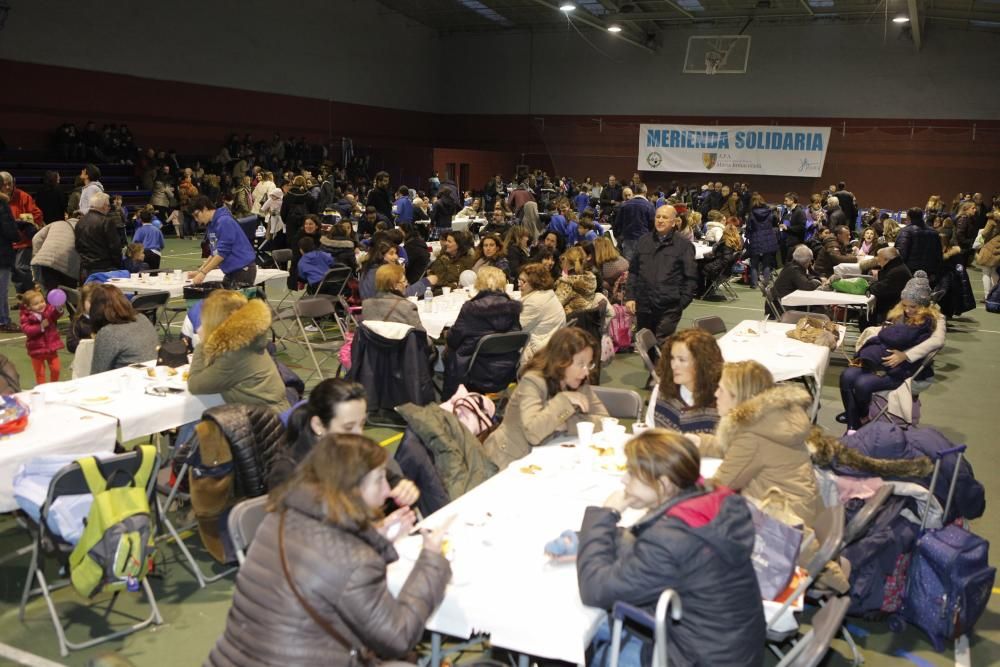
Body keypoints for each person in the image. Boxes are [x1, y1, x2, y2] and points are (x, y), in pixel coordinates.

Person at [207, 433, 449, 667]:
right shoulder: (357, 561)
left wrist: (376, 539)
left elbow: (324, 558)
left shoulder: (278, 518)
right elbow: (399, 637)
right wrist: (431, 559)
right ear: (353, 489)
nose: (387, 490)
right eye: (379, 480)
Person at [577, 429, 765, 667]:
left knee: (583, 632)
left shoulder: (669, 538)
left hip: (696, 659)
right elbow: (657, 552)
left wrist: (606, 515)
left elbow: (595, 589)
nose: (624, 480)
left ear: (664, 484)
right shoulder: (707, 502)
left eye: (632, 473)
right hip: (730, 647)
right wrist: (593, 537)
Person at [701, 361, 821, 526]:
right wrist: (698, 442)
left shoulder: (752, 437)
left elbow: (719, 487)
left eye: (721, 389)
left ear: (738, 396)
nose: (715, 394)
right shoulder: (771, 419)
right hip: (798, 510)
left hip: (782, 524)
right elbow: (736, 449)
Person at [482, 328, 608, 469]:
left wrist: (566, 424)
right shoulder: (533, 381)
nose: (586, 371)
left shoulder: (579, 381)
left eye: (589, 364)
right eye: (580, 364)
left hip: (547, 457)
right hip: (506, 461)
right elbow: (534, 433)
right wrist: (564, 400)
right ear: (562, 361)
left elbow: (605, 420)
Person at [839, 272, 938, 431]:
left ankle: (858, 416)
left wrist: (888, 336)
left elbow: (893, 337)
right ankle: (853, 423)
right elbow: (891, 335)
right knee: (847, 376)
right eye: (905, 305)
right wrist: (888, 334)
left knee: (862, 384)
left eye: (913, 306)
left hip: (905, 371)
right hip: (884, 363)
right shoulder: (900, 316)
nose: (908, 310)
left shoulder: (927, 321)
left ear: (924, 305)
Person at [187, 290, 289, 412]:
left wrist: (202, 343)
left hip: (265, 423)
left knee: (195, 425)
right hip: (276, 412)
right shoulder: (248, 338)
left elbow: (195, 385)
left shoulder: (233, 355)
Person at [442, 267, 522, 398]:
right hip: (506, 369)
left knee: (448, 350)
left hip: (473, 370)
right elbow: (515, 337)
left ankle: (453, 398)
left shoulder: (471, 308)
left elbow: (453, 339)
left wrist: (447, 334)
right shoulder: (512, 308)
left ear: (478, 283)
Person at [624, 205, 697, 344]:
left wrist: (681, 303)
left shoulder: (684, 245)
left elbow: (691, 278)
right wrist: (630, 296)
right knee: (646, 344)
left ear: (674, 222)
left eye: (665, 217)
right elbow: (633, 271)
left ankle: (663, 366)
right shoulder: (643, 241)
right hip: (644, 304)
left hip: (669, 306)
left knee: (662, 343)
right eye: (658, 217)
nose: (660, 220)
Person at [644, 328, 723, 435]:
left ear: (702, 363)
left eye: (682, 360)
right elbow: (649, 431)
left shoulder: (721, 399)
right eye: (672, 358)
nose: (674, 365)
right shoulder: (661, 391)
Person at [188, 196, 258, 287]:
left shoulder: (224, 221)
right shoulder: (211, 225)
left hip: (242, 269)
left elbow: (222, 253)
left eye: (197, 215)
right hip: (232, 271)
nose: (196, 219)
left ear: (205, 209)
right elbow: (215, 253)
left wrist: (203, 273)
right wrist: (199, 271)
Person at [89, 284, 159, 374]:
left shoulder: (108, 333)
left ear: (95, 308)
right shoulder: (142, 318)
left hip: (129, 382)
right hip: (153, 375)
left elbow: (97, 374)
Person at [361, 263, 423, 330]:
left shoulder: (366, 304)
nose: (406, 284)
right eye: (404, 281)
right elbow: (420, 335)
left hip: (373, 340)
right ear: (393, 286)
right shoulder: (408, 307)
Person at [75, 192, 123, 278]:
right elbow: (115, 247)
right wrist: (118, 265)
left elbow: (77, 246)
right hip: (104, 268)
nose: (109, 208)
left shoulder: (80, 222)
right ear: (104, 206)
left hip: (85, 269)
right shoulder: (107, 221)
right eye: (108, 206)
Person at [20, 290, 63, 384]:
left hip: (51, 347)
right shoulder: (25, 317)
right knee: (40, 373)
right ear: (28, 307)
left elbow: (55, 313)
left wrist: (58, 307)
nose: (41, 305)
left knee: (56, 369)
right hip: (36, 349)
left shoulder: (48, 310)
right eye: (36, 304)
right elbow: (27, 330)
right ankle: (42, 390)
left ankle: (54, 385)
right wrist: (41, 327)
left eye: (42, 301)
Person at [895, 207, 943, 282]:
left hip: (910, 273)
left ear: (908, 217)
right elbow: (939, 254)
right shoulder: (934, 232)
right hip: (930, 273)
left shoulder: (906, 231)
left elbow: (901, 254)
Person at [867, 247, 912, 324]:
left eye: (879, 258)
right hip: (892, 305)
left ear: (886, 259)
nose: (877, 260)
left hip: (892, 310)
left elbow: (880, 289)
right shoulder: (896, 267)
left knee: (865, 319)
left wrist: (869, 287)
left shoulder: (897, 272)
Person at [613, 183, 655, 262]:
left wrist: (618, 236)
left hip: (628, 239)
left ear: (634, 192)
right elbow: (653, 225)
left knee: (628, 266)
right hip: (644, 239)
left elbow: (617, 223)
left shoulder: (624, 205)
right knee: (643, 264)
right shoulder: (650, 206)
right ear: (645, 192)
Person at [555, 246, 602, 315]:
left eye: (563, 259)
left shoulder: (568, 283)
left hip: (568, 320)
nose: (561, 262)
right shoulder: (589, 279)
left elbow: (555, 305)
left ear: (567, 261)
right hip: (582, 320)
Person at [745, 193, 779, 287]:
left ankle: (754, 284)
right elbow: (775, 223)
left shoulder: (751, 213)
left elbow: (749, 227)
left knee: (754, 263)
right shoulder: (770, 211)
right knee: (767, 263)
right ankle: (766, 284)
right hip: (769, 238)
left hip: (755, 238)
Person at [698, 222, 742, 294]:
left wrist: (713, 267)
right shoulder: (736, 243)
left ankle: (701, 290)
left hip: (720, 271)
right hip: (726, 270)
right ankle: (708, 289)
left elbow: (725, 259)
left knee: (698, 267)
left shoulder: (726, 244)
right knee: (702, 264)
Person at [67, 282, 99, 353]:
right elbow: (70, 345)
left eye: (98, 301)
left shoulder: (106, 319)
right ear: (82, 302)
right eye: (91, 301)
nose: (95, 304)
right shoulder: (77, 322)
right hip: (85, 358)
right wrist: (89, 341)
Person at [781, 192, 807, 261]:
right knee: (785, 263)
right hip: (785, 242)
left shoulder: (800, 212)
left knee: (791, 264)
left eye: (786, 200)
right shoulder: (786, 212)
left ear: (792, 200)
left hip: (794, 244)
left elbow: (802, 227)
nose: (784, 202)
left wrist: (788, 228)